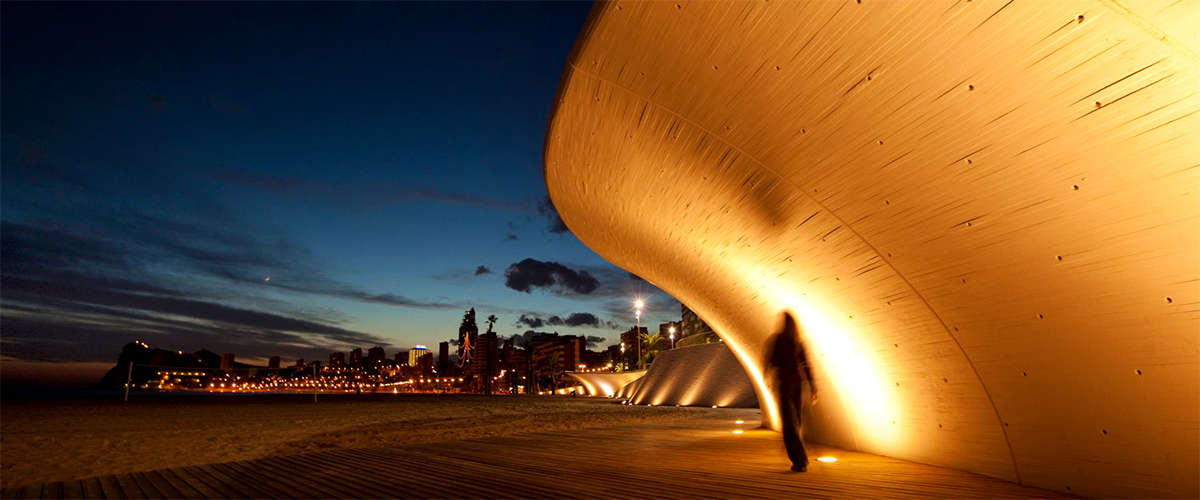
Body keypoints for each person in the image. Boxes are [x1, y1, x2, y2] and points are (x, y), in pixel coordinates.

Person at [767, 311, 818, 472]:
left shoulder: (779, 339)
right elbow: (806, 364)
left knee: (789, 424)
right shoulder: (798, 341)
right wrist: (813, 387)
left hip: (785, 384)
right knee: (797, 422)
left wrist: (767, 373)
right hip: (798, 384)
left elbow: (773, 360)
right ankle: (802, 459)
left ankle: (799, 461)